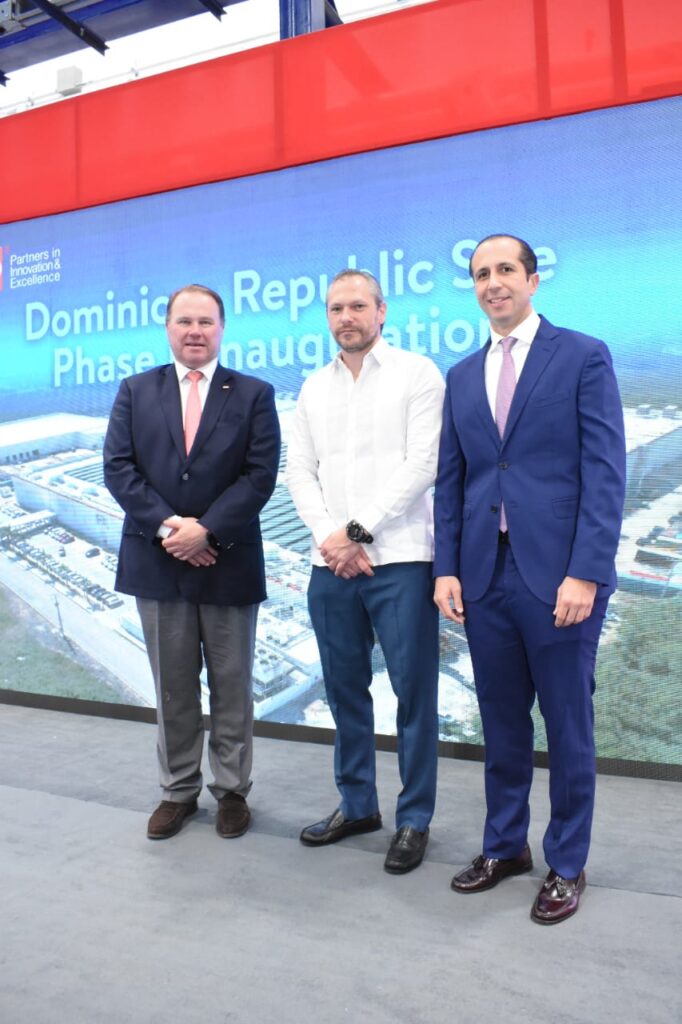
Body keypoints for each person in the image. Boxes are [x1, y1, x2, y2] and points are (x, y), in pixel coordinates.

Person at [434, 235, 626, 923]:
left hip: (560, 578)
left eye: (505, 270)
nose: (493, 283)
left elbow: (605, 471)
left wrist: (586, 573)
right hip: (484, 576)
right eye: (481, 273)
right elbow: (452, 481)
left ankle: (567, 863)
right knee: (502, 722)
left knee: (568, 726)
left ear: (533, 279)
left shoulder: (581, 355)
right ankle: (504, 846)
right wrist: (446, 567)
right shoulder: (461, 375)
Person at [104, 284, 280, 841]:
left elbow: (259, 475)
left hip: (228, 562)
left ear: (222, 328)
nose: (195, 331)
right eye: (185, 321)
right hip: (157, 564)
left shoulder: (253, 393)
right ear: (168, 328)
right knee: (174, 688)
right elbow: (118, 468)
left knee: (232, 685)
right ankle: (177, 790)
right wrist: (170, 528)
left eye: (206, 321)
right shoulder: (136, 390)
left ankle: (232, 791)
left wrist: (207, 531)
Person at [286, 269, 444, 874]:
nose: (346, 317)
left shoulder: (417, 374)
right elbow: (299, 472)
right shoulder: (312, 388)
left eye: (357, 306)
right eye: (336, 308)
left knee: (414, 695)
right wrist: (333, 539)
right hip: (330, 566)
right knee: (343, 689)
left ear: (382, 311)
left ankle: (414, 819)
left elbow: (422, 464)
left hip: (400, 559)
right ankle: (357, 806)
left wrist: (356, 532)